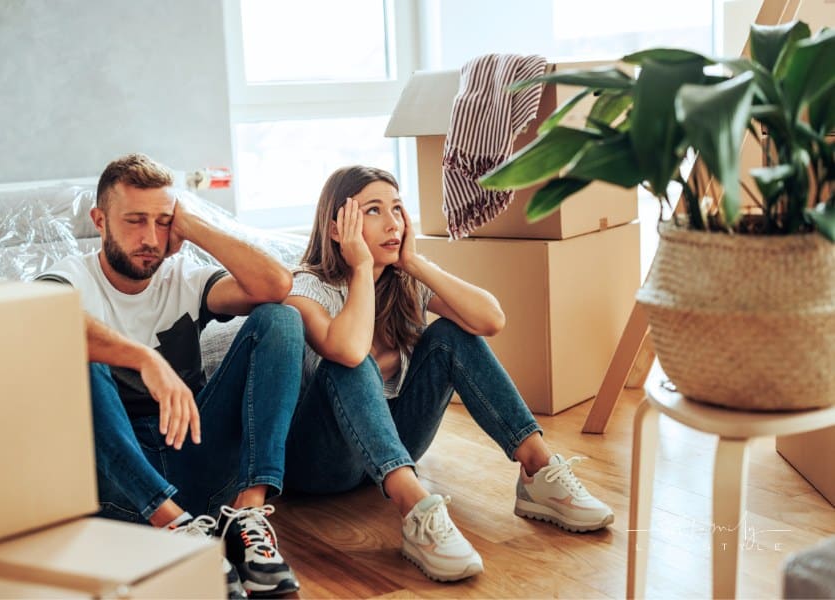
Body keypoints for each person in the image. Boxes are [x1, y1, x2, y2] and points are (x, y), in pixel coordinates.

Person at [282, 165, 614, 583]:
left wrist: (415, 264)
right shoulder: (305, 287)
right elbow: (348, 349)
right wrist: (362, 268)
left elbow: (491, 319)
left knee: (452, 332)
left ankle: (538, 470)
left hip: (395, 448)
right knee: (351, 360)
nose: (393, 223)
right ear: (337, 228)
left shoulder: (404, 283)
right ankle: (417, 511)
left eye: (397, 209)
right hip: (319, 465)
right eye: (373, 211)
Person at [38, 153, 304, 598]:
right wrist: (146, 358)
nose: (150, 238)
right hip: (117, 477)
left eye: (162, 222)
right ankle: (175, 530)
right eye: (135, 221)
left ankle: (247, 515)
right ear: (99, 220)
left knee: (282, 320)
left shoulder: (183, 277)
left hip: (192, 454)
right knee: (77, 354)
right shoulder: (71, 278)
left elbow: (275, 286)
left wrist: (193, 225)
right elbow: (42, 321)